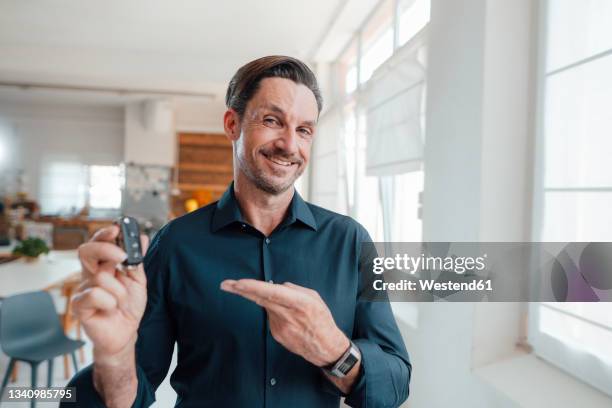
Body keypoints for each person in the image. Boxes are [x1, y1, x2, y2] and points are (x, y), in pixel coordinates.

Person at [64, 56, 411, 408]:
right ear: (233, 123)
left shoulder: (351, 241)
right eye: (273, 120)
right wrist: (115, 355)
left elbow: (393, 387)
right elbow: (128, 397)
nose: (290, 145)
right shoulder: (175, 245)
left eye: (304, 130)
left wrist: (334, 349)